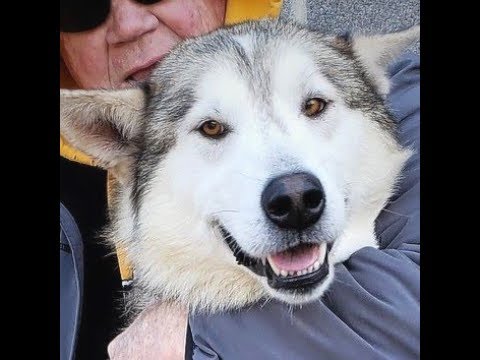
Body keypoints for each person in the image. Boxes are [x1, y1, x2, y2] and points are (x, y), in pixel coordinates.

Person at [60, 0, 419, 359]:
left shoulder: (402, 95)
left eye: (312, 107)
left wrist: (189, 336)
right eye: (82, 9)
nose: (129, 25)